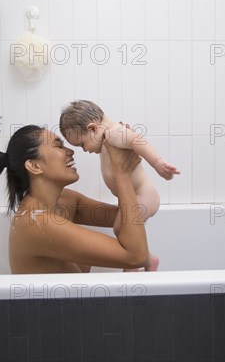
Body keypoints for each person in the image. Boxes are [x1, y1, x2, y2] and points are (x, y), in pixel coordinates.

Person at [0, 125, 150, 274]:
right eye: (59, 145)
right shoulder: (36, 223)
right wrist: (122, 174)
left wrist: (113, 153)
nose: (70, 151)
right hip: (53, 311)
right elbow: (136, 256)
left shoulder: (65, 201)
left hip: (74, 306)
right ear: (34, 166)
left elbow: (127, 218)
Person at [59, 100, 181, 271]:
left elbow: (138, 141)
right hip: (136, 196)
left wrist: (157, 163)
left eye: (82, 144)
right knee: (120, 229)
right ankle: (148, 260)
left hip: (144, 196)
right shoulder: (106, 137)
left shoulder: (114, 133)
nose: (84, 150)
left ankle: (133, 267)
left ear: (93, 128)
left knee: (123, 230)